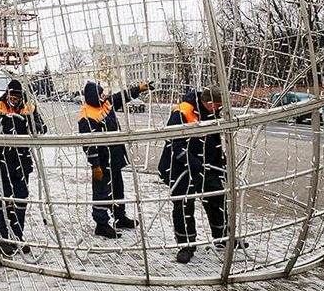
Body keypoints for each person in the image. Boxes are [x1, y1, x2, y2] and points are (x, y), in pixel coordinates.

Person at [157, 86, 248, 264]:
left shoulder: (213, 113)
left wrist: (221, 163)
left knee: (217, 199)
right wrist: (196, 165)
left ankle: (222, 237)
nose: (218, 109)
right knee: (183, 205)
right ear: (208, 102)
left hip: (207, 167)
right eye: (217, 105)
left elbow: (214, 141)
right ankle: (186, 245)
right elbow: (176, 144)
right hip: (181, 168)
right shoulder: (182, 112)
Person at [0, 78, 47, 257]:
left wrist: (25, 124)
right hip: (2, 163)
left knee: (20, 200)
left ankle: (17, 236)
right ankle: (1, 238)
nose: (13, 100)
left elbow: (41, 128)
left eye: (16, 97)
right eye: (11, 96)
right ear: (6, 94)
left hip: (22, 163)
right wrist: (4, 124)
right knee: (1, 200)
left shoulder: (29, 109)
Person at [78, 80, 150, 238]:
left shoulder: (106, 103)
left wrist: (139, 89)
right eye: (100, 94)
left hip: (115, 158)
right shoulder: (87, 117)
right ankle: (101, 223)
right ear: (93, 96)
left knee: (118, 188)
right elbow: (88, 145)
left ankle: (120, 217)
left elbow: (121, 96)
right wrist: (95, 165)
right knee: (102, 192)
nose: (104, 96)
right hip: (102, 163)